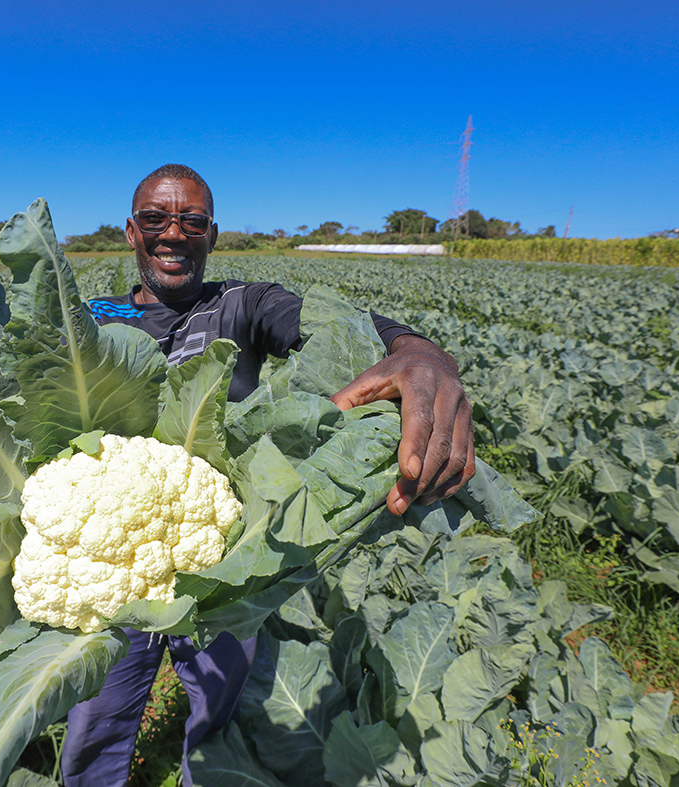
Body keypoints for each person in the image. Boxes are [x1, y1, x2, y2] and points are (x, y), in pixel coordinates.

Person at [61, 164, 475, 786]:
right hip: (112, 560)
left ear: (212, 234)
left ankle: (210, 771)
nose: (173, 233)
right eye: (155, 218)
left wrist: (417, 354)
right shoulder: (88, 322)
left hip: (226, 551)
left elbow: (338, 324)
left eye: (192, 220)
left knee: (221, 707)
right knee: (94, 714)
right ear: (130, 231)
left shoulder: (242, 304)